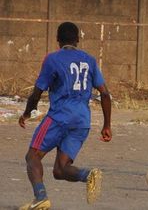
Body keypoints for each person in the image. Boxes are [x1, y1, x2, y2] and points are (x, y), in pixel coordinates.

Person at [18, 22, 112, 210]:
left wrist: (27, 113)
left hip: (59, 117)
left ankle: (41, 197)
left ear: (57, 40)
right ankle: (88, 174)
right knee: (60, 170)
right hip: (82, 121)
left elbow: (37, 92)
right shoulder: (90, 60)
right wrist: (107, 125)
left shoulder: (53, 59)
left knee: (32, 157)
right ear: (78, 39)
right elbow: (105, 93)